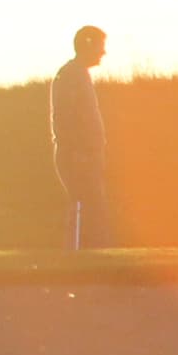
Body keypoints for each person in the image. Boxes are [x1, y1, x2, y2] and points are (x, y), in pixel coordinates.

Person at [51, 25, 113, 247]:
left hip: (84, 154)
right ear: (88, 46)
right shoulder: (72, 75)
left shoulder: (77, 74)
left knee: (91, 206)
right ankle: (80, 253)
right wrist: (79, 152)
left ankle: (85, 252)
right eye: (100, 46)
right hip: (78, 155)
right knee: (86, 206)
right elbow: (66, 117)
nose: (103, 52)